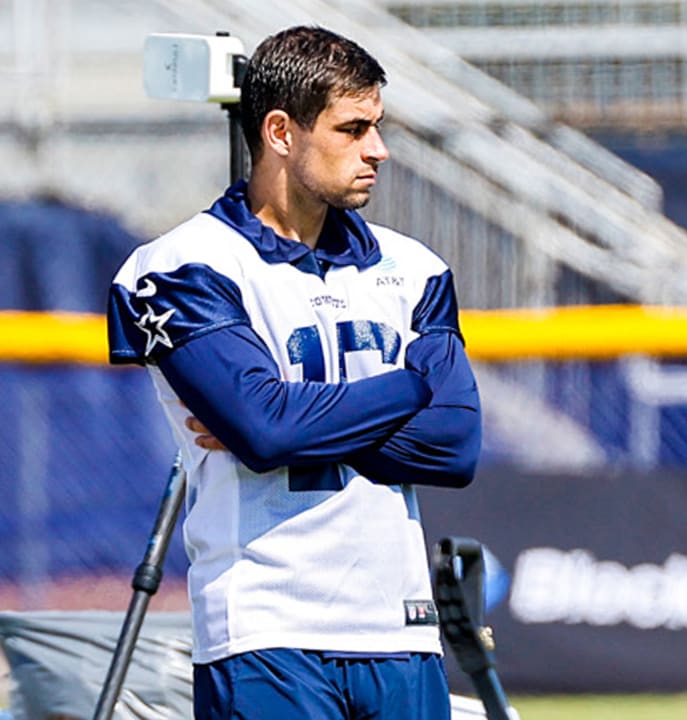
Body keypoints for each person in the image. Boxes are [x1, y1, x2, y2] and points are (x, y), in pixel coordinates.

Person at [107, 26, 481, 720]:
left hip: (401, 628)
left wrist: (292, 416)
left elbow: (454, 446)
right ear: (280, 131)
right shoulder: (181, 267)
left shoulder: (415, 269)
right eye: (353, 128)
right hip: (266, 629)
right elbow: (268, 431)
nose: (379, 149)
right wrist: (411, 386)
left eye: (377, 126)